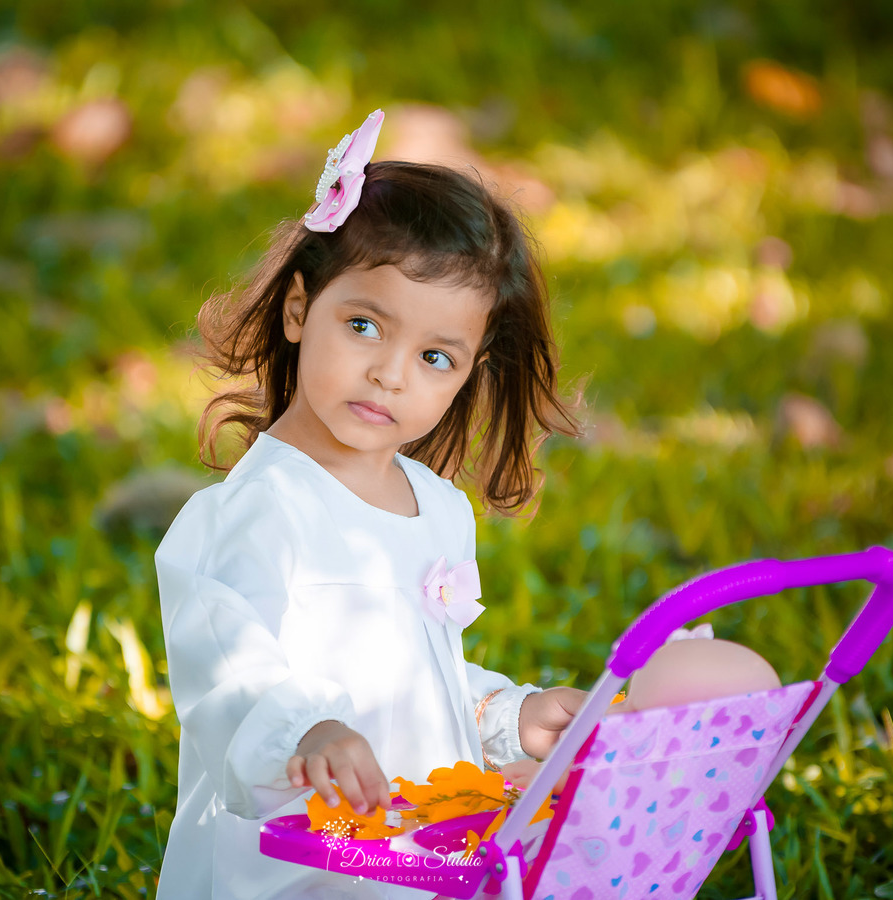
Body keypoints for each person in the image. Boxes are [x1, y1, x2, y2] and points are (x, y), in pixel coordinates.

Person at [154, 108, 585, 899]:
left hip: (408, 850)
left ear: (468, 374)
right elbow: (227, 669)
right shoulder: (258, 511)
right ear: (296, 310)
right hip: (304, 859)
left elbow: (415, 677)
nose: (391, 374)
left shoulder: (436, 506)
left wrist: (507, 716)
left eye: (433, 356)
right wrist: (306, 731)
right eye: (363, 325)